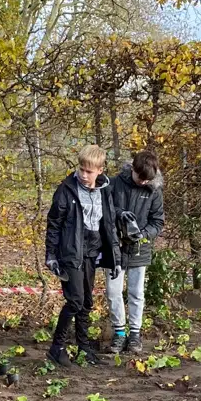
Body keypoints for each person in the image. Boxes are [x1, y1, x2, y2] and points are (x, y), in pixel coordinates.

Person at [45, 143, 120, 367]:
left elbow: (109, 223)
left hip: (92, 251)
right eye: (81, 169)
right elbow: (54, 224)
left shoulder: (105, 190)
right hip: (70, 251)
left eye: (89, 171)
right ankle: (56, 347)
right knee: (75, 301)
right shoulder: (66, 190)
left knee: (86, 302)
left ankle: (84, 348)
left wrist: (115, 256)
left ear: (100, 170)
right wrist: (51, 255)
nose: (84, 174)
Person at [104, 149, 165, 353]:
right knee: (113, 292)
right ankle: (119, 333)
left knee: (136, 293)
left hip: (140, 248)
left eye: (148, 179)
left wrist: (144, 233)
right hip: (115, 246)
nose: (144, 182)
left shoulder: (154, 191)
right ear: (133, 169)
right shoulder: (115, 184)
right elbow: (105, 212)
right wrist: (120, 215)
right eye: (141, 178)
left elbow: (158, 221)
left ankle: (135, 334)